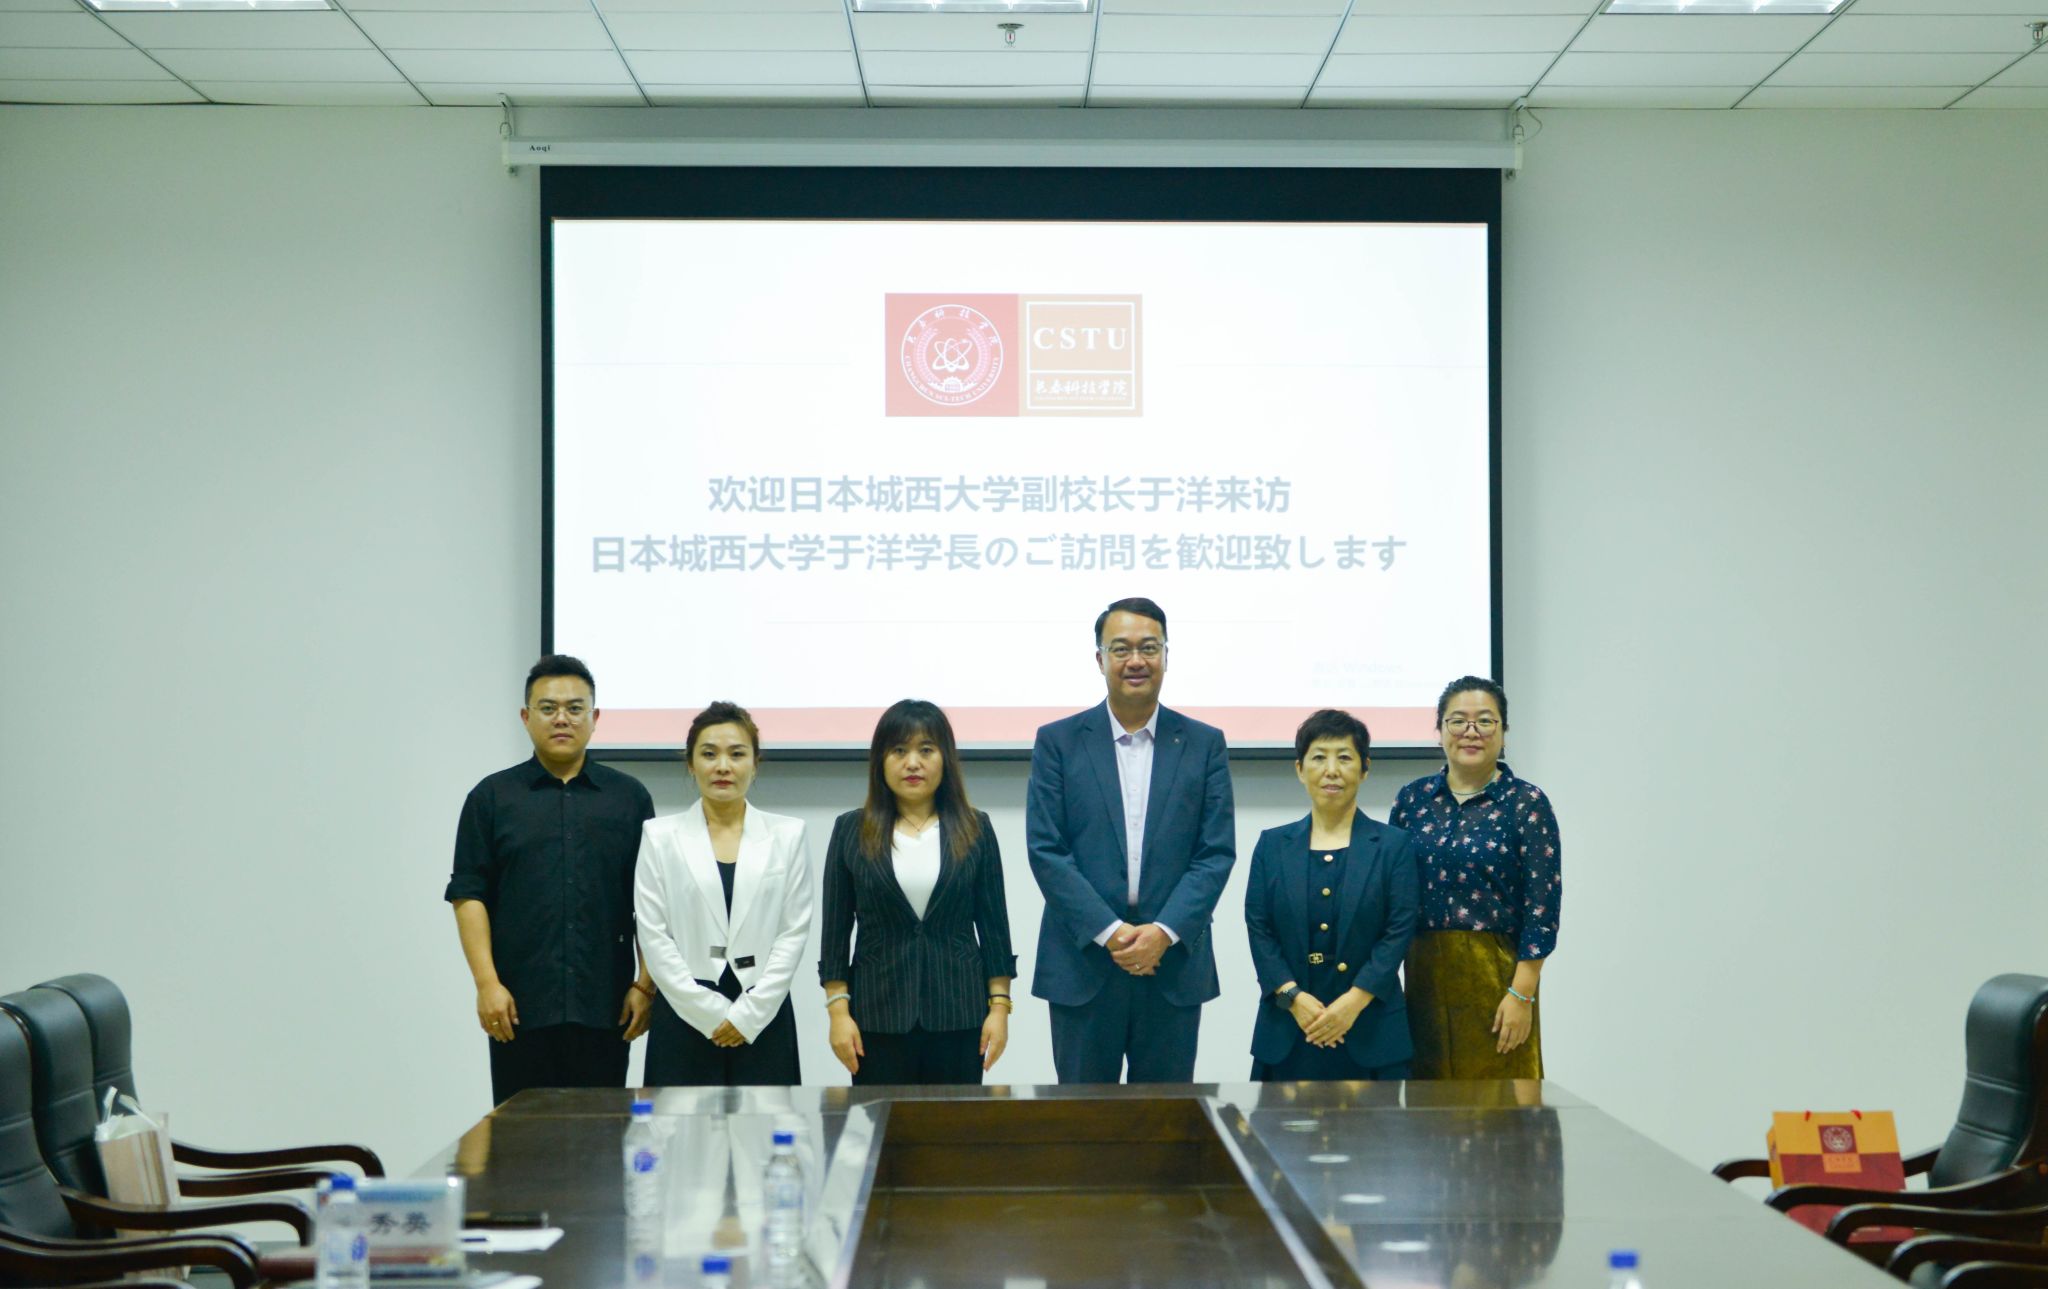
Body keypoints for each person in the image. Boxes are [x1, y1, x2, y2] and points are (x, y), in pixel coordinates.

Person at [1025, 596, 1236, 1084]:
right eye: (1121, 649)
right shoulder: (1058, 741)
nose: (1136, 660)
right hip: (1083, 965)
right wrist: (1111, 932)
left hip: (1172, 966)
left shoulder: (1204, 743)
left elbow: (1215, 853)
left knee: (1164, 1119)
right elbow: (1047, 850)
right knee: (1084, 1118)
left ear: (1166, 655)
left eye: (1149, 647)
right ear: (1100, 659)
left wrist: (1163, 932)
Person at [445, 654, 657, 1106]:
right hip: (518, 1007)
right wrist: (486, 984)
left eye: (575, 708)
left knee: (603, 1138)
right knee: (520, 1139)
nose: (562, 718)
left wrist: (645, 983)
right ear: (526, 717)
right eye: (548, 708)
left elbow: (651, 901)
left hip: (606, 1006)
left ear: (595, 718)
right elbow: (468, 894)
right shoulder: (491, 798)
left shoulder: (629, 798)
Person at [818, 700, 1018, 1086]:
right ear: (880, 761)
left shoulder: (976, 828)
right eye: (899, 750)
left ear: (946, 759)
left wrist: (1000, 1008)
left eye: (926, 750)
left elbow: (995, 927)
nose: (913, 763)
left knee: (953, 1122)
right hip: (877, 1016)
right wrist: (837, 1013)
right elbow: (835, 935)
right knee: (883, 1122)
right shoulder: (850, 830)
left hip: (959, 1014)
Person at [1389, 676, 1562, 1078]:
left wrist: (1522, 994)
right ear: (1439, 730)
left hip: (1498, 976)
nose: (1471, 731)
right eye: (1457, 721)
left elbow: (1542, 909)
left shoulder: (1527, 803)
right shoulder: (1412, 800)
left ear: (1503, 731)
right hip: (1422, 976)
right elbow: (1392, 894)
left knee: (1501, 1100)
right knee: (1428, 1099)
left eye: (1485, 721)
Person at [634, 702, 813, 1086]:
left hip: (763, 1015)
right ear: (690, 763)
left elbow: (793, 932)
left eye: (737, 754)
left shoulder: (788, 835)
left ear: (755, 763)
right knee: (679, 1124)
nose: (723, 766)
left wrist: (750, 1014)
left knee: (766, 1124)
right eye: (709, 754)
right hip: (684, 1013)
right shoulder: (659, 837)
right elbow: (653, 934)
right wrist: (707, 1011)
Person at [1245, 709, 1419, 1081]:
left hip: (1372, 1030)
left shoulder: (1393, 846)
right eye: (1319, 758)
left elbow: (1398, 931)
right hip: (1288, 1029)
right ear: (1299, 769)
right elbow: (1260, 931)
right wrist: (1292, 998)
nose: (1332, 770)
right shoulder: (1272, 846)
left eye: (1344, 757)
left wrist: (1353, 1003)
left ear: (1365, 768)